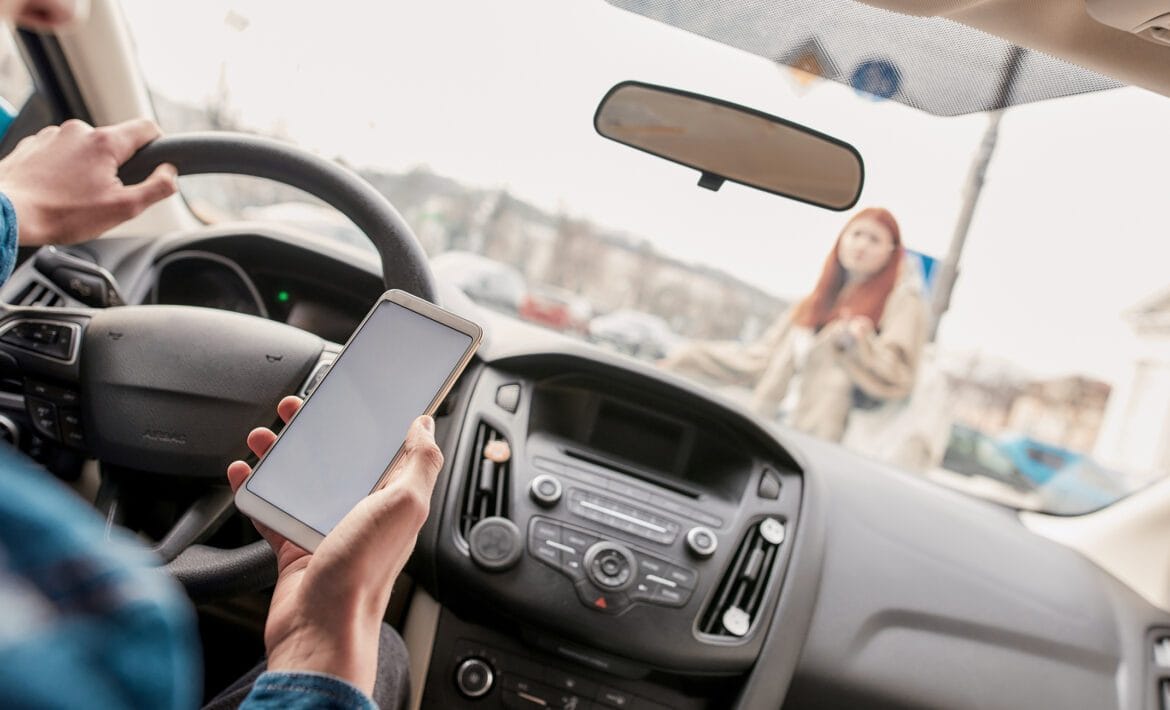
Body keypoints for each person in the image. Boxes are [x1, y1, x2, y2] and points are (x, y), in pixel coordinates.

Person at [0, 3, 435, 708]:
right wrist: (323, 642)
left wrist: (11, 204)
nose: (64, 11)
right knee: (380, 648)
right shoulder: (110, 636)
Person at [661, 207, 928, 442]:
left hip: (830, 447)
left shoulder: (903, 302)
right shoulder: (813, 303)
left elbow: (899, 376)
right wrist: (689, 358)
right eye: (856, 234)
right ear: (841, 240)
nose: (861, 245)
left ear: (891, 252)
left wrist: (860, 345)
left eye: (874, 239)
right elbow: (760, 359)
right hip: (772, 432)